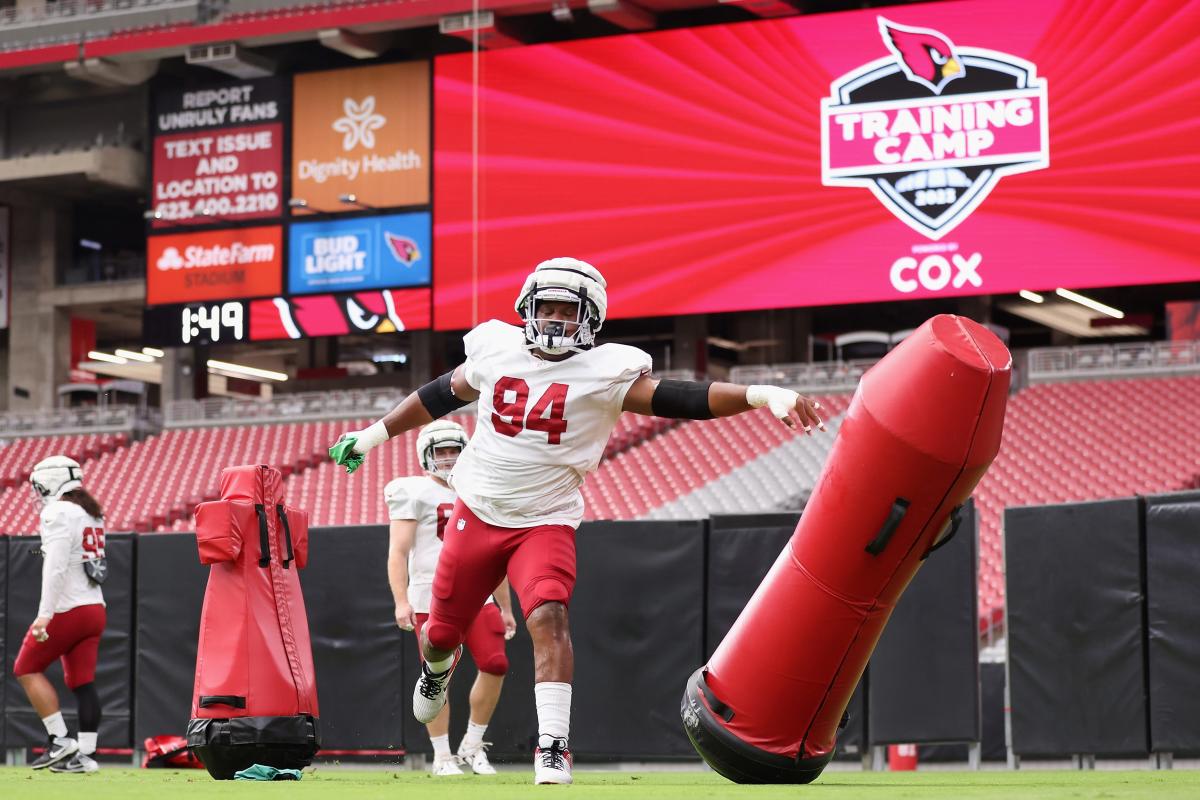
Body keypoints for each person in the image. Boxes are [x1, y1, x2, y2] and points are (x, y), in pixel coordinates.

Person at [331, 257, 824, 784]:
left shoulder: (604, 371)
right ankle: (435, 672)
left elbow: (679, 397)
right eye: (548, 307)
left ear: (592, 316)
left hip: (545, 520)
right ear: (528, 309)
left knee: (549, 618)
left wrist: (760, 394)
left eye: (570, 309)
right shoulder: (497, 350)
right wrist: (371, 436)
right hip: (478, 512)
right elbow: (438, 396)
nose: (557, 319)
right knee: (441, 636)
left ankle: (553, 745)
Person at [385, 420, 518, 776]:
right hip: (430, 595)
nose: (447, 458)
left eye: (453, 451)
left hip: (478, 592)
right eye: (440, 452)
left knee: (495, 663)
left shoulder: (477, 490)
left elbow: (493, 555)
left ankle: (472, 746)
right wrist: (401, 600)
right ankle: (442, 755)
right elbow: (398, 552)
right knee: (438, 675)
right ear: (425, 456)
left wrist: (505, 606)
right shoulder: (413, 492)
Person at [14, 456, 108, 774]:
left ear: (51, 481)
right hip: (95, 607)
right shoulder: (90, 512)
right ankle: (86, 756)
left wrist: (44, 615)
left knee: (26, 668)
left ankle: (60, 739)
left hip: (68, 607)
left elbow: (54, 568)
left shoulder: (57, 511)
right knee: (83, 682)